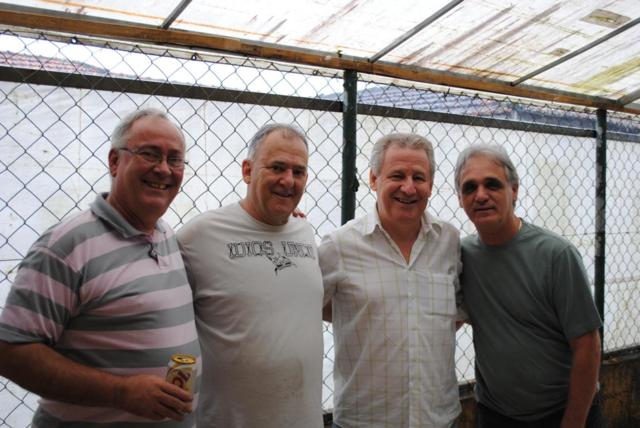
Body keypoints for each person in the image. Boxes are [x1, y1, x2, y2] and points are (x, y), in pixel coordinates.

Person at [0, 108, 200, 426]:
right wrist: (121, 393)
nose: (164, 169)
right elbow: (11, 351)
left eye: (175, 159)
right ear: (115, 161)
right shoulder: (67, 246)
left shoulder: (166, 236)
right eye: (150, 154)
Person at [177, 123, 324, 427]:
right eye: (277, 168)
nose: (288, 180)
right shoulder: (198, 237)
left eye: (298, 172)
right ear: (247, 170)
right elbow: (169, 331)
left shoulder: (305, 232)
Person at [319, 133, 464, 428]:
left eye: (418, 177)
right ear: (374, 180)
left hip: (438, 419)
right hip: (364, 421)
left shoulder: (449, 241)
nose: (408, 188)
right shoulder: (339, 246)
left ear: (431, 185)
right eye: (397, 175)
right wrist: (359, 316)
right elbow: (309, 306)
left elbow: (455, 312)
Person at [454, 143, 603, 428]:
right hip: (495, 414)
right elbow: (449, 319)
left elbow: (588, 345)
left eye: (492, 184)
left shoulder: (556, 255)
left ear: (514, 190)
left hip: (564, 413)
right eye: (469, 187)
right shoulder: (461, 257)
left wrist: (573, 421)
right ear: (460, 199)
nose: (481, 195)